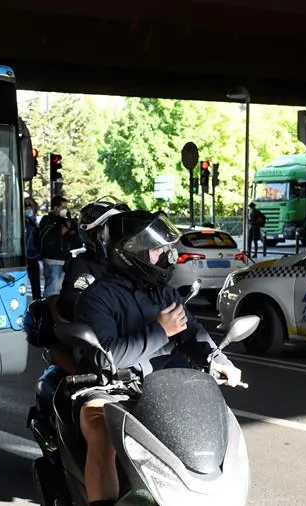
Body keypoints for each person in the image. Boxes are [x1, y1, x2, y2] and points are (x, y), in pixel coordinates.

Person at [73, 210, 244, 505]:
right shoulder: (97, 298)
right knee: (100, 428)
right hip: (114, 389)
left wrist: (217, 360)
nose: (166, 257)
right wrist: (160, 332)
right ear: (131, 253)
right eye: (156, 250)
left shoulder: (163, 294)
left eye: (166, 249)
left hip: (166, 387)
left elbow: (192, 333)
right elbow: (106, 357)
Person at [56, 200, 130, 321]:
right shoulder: (82, 266)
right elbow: (71, 304)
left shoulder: (126, 264)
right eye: (113, 233)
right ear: (94, 234)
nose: (121, 238)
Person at [38, 195, 76, 296]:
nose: (65, 210)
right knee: (51, 291)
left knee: (60, 291)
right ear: (56, 208)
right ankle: (47, 310)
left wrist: (71, 230)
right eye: (63, 207)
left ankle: (55, 310)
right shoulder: (47, 220)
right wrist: (60, 232)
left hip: (64, 260)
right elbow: (44, 237)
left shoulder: (65, 221)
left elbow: (74, 241)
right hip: (51, 259)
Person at [24, 197, 42, 299]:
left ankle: (37, 301)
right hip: (20, 257)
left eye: (30, 206)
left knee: (35, 284)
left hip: (32, 256)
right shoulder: (17, 223)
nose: (28, 208)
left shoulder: (35, 224)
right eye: (26, 206)